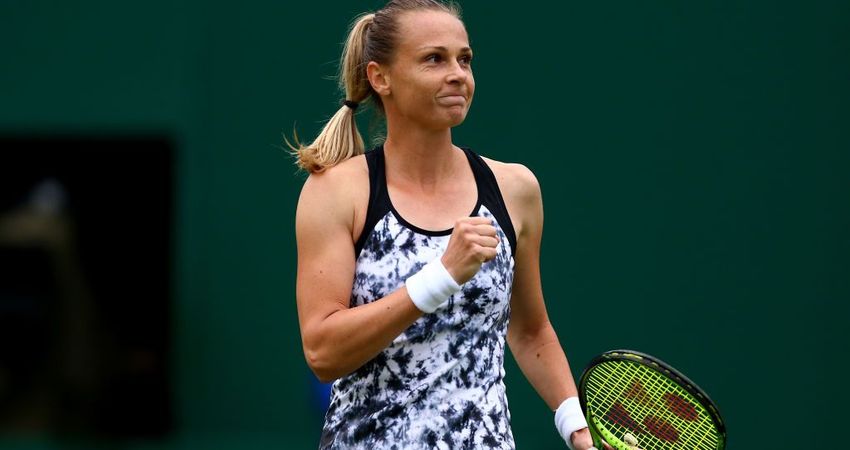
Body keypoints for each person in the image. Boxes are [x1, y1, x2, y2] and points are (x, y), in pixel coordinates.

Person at [289, 1, 610, 449]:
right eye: (434, 59)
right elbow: (323, 352)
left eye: (465, 59)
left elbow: (530, 330)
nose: (458, 74)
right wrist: (441, 277)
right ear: (381, 78)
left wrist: (577, 427)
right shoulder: (336, 192)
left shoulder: (515, 189)